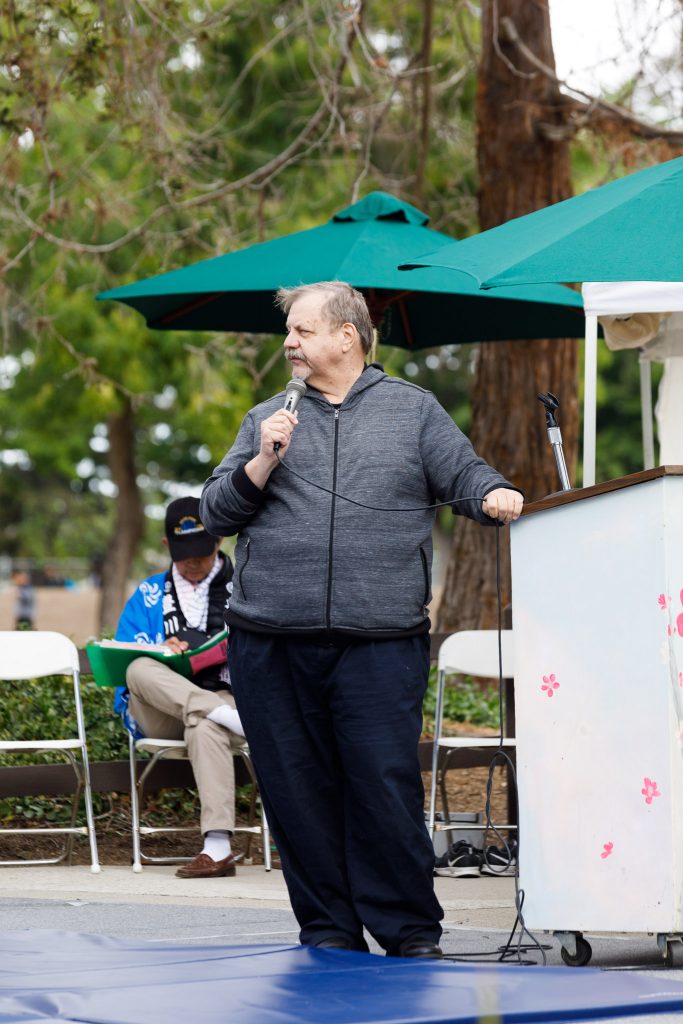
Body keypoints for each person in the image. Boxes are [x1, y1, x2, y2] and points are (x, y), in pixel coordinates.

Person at [200, 281, 523, 953]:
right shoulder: (268, 416)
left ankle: (407, 932)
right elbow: (215, 515)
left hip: (378, 643)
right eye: (288, 331)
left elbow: (461, 473)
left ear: (347, 335)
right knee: (295, 793)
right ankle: (328, 932)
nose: (289, 342)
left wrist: (492, 493)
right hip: (270, 643)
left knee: (381, 786)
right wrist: (263, 458)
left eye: (302, 330)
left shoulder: (412, 411)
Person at [114, 496, 245, 879]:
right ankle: (226, 716)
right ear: (167, 546)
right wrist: (158, 649)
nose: (192, 562)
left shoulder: (245, 586)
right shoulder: (148, 592)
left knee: (204, 725)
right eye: (183, 553)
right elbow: (125, 657)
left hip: (225, 693)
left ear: (219, 540)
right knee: (139, 667)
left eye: (201, 553)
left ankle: (217, 847)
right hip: (162, 708)